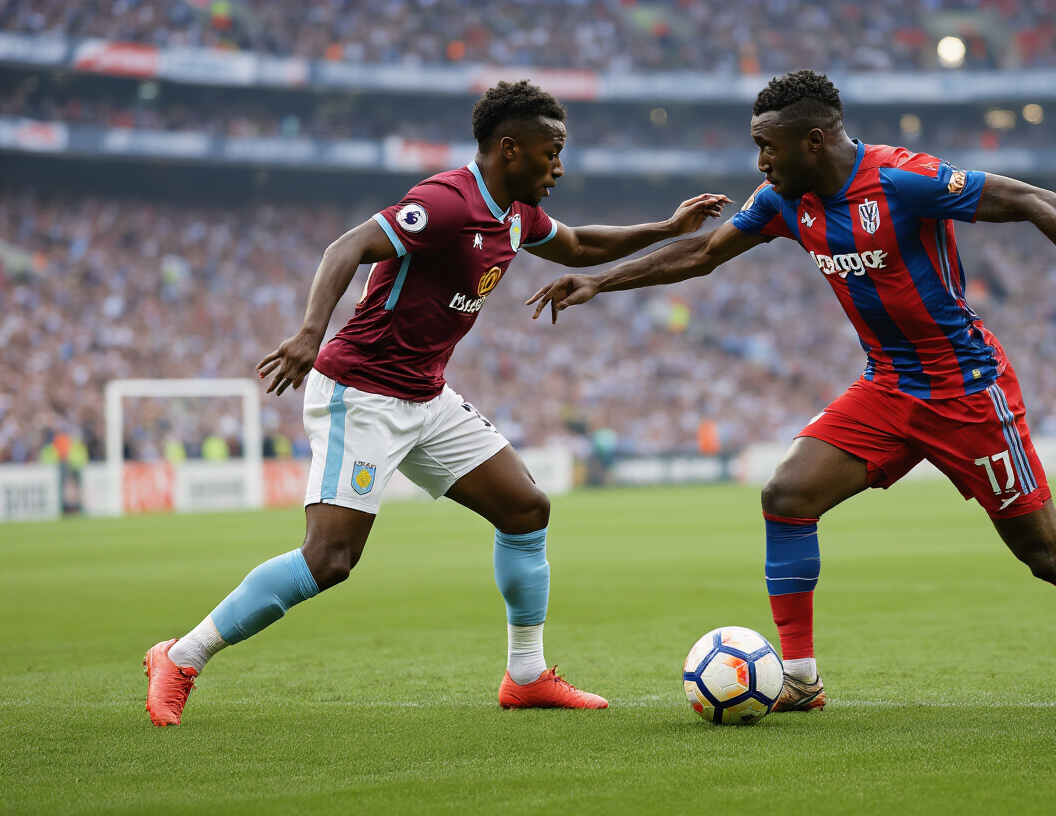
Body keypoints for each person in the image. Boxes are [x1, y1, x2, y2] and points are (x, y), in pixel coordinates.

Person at [528, 70, 1056, 711]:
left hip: (967, 389)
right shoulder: (785, 200)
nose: (759, 161)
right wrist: (599, 281)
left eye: (767, 145)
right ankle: (798, 679)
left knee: (1046, 554)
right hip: (889, 387)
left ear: (812, 139)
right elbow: (703, 255)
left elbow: (1036, 201)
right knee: (787, 494)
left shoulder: (903, 178)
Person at [143, 80, 730, 726]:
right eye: (551, 152)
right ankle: (181, 654)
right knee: (330, 559)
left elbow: (582, 245)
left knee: (526, 508)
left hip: (425, 395)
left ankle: (526, 676)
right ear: (510, 149)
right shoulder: (447, 202)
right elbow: (348, 246)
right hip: (361, 393)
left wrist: (666, 228)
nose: (560, 166)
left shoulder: (518, 214)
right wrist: (312, 330)